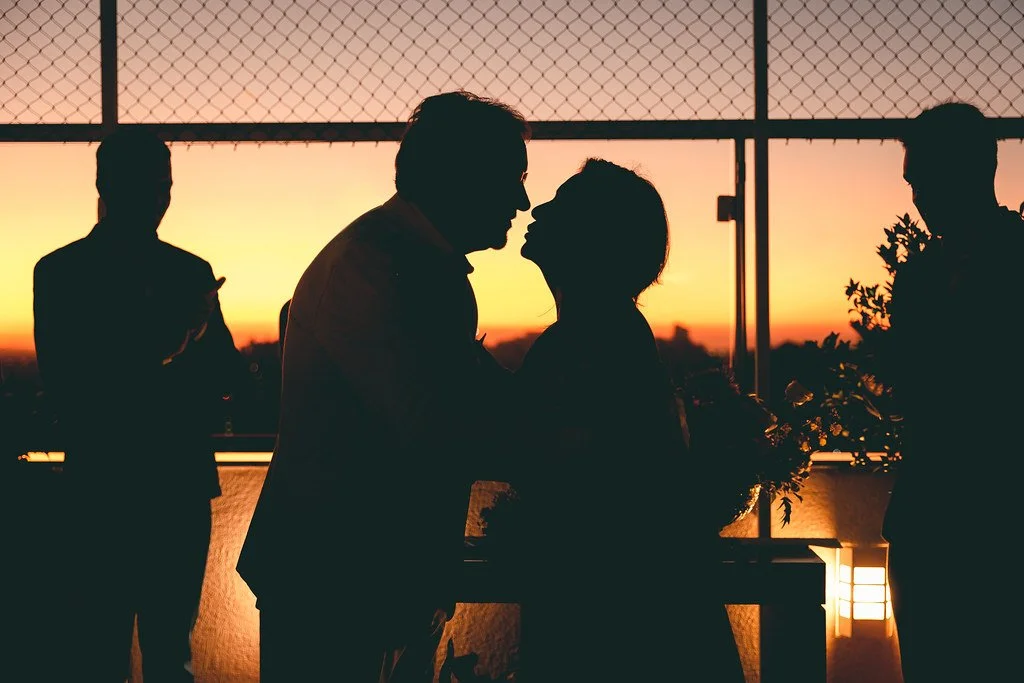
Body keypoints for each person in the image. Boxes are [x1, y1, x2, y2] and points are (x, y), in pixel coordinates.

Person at [236, 90, 531, 683]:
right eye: (511, 178)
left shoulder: (399, 262)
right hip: (336, 579)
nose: (522, 202)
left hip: (356, 574)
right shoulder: (377, 269)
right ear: (462, 175)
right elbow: (434, 424)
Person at [513, 158, 745, 682]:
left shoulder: (586, 341)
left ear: (591, 238)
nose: (539, 208)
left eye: (563, 205)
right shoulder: (610, 331)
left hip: (607, 623)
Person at [32, 126, 244, 682]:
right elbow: (223, 374)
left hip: (101, 484)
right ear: (107, 185)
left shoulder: (60, 272)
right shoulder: (189, 273)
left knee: (102, 647)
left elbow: (73, 387)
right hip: (172, 483)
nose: (159, 200)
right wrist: (180, 341)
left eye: (164, 186)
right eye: (152, 186)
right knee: (167, 651)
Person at [883, 101, 1024, 682]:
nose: (916, 196)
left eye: (925, 180)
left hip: (995, 523)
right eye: (913, 182)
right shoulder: (916, 276)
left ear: (974, 171)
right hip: (929, 523)